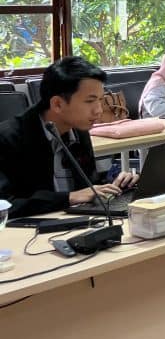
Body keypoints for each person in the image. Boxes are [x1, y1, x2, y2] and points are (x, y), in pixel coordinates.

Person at [0, 56, 139, 218]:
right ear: (57, 104)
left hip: (75, 222)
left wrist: (113, 185)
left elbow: (87, 187)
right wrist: (69, 198)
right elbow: (5, 205)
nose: (99, 111)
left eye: (100, 100)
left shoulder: (78, 130)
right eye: (90, 101)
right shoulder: (8, 138)